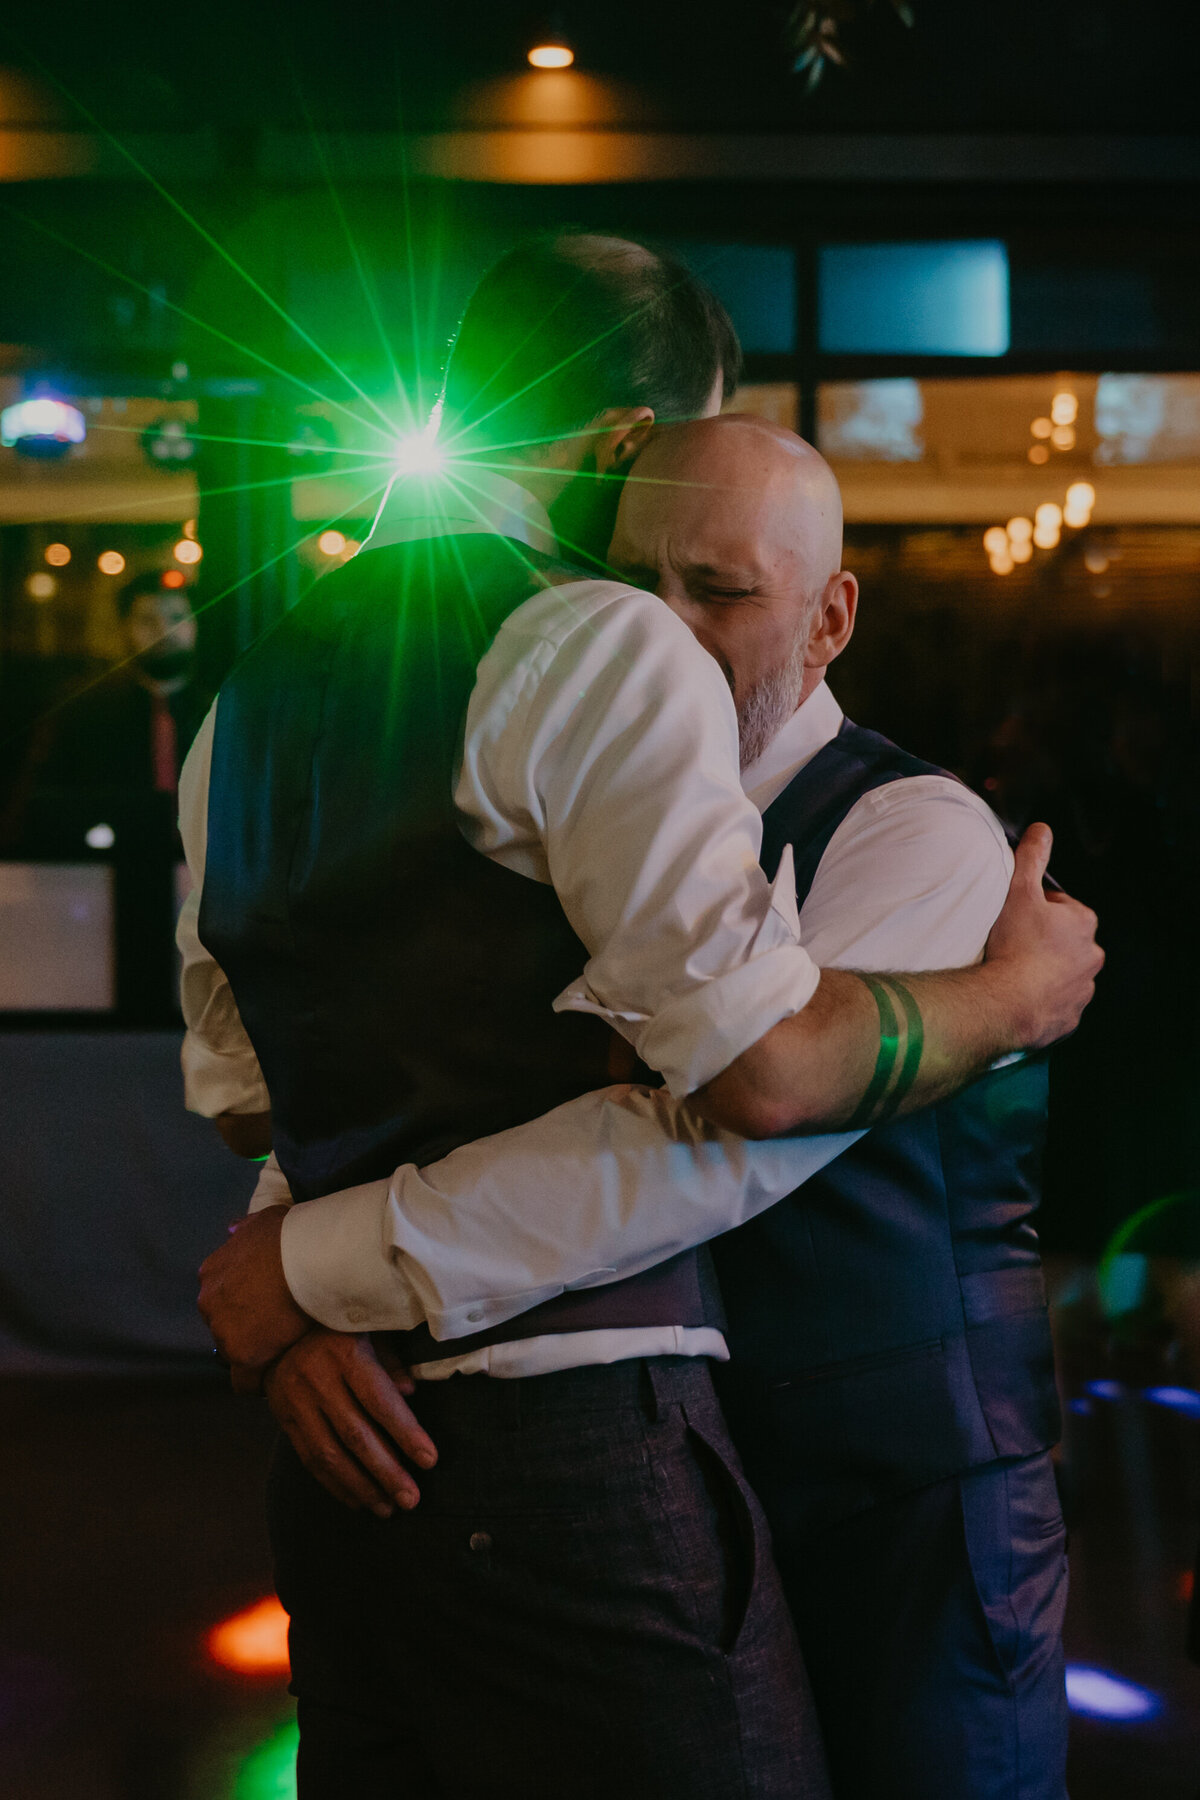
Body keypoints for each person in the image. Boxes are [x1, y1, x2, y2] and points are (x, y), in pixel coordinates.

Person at [186, 234, 1100, 1797]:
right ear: (631, 451)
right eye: (643, 566)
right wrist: (1007, 997)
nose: (666, 619)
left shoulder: (910, 831)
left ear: (829, 621)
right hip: (599, 1463)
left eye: (720, 589)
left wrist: (312, 1274)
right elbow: (741, 1083)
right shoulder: (579, 670)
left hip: (889, 1493)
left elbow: (689, 1151)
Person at [37, 571, 208, 794]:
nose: (163, 630)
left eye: (177, 618)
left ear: (195, 624)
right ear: (124, 627)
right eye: (147, 620)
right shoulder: (86, 713)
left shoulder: (220, 711)